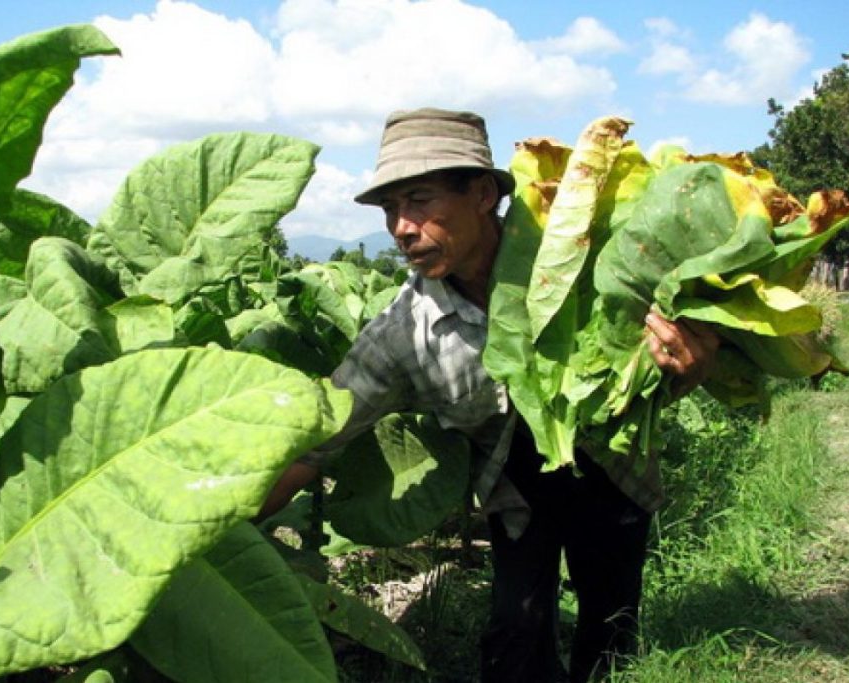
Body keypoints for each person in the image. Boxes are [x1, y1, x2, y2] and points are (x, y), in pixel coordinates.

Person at [258, 108, 719, 682]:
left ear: (480, 195)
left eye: (419, 200)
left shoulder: (584, 262)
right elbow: (314, 441)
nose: (402, 227)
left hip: (612, 468)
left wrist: (687, 369)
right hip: (516, 488)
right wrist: (222, 519)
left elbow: (650, 379)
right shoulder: (405, 332)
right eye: (390, 210)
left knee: (610, 620)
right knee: (515, 631)